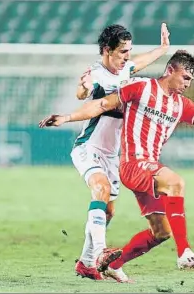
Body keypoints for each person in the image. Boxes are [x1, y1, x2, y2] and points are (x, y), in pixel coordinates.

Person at [39, 50, 194, 283]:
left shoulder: (181, 104)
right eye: (185, 77)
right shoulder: (141, 88)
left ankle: (113, 265)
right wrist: (67, 117)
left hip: (150, 169)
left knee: (161, 232)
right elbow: (101, 104)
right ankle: (184, 252)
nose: (187, 83)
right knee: (175, 182)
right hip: (133, 164)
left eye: (191, 80)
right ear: (170, 70)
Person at [69, 23, 170, 280]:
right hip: (89, 147)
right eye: (123, 51)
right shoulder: (96, 73)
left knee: (108, 211)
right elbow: (84, 91)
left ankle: (86, 262)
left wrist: (163, 48)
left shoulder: (125, 68)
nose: (127, 56)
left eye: (129, 51)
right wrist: (84, 88)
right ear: (107, 50)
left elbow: (140, 62)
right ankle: (102, 253)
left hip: (113, 154)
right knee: (100, 190)